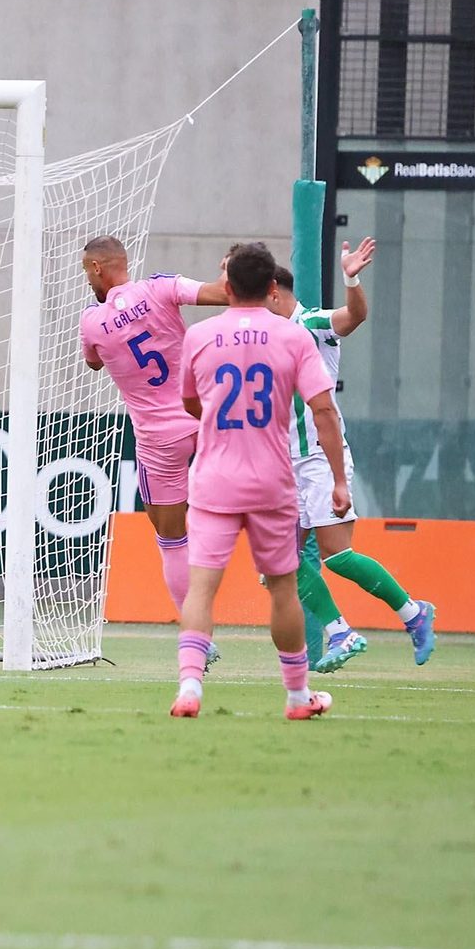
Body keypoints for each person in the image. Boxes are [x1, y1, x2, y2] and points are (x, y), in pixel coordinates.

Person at [171, 242, 350, 720]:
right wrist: (338, 480)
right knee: (283, 589)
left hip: (213, 480)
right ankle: (296, 697)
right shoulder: (293, 338)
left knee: (201, 589)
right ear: (273, 288)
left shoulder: (200, 336)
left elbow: (191, 403)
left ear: (226, 287)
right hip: (273, 480)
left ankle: (190, 688)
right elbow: (323, 409)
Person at [265, 242, 436, 670]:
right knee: (277, 566)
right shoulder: (263, 336)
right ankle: (340, 631)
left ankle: (414, 613)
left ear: (273, 292)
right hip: (285, 463)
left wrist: (351, 278)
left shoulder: (312, 322)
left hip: (321, 457)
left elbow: (355, 315)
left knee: (336, 556)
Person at [78, 235, 227, 666]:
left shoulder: (92, 320)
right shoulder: (162, 287)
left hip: (159, 439)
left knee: (171, 539)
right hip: (204, 417)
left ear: (96, 269)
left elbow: (93, 362)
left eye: (86, 271)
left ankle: (198, 633)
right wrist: (229, 269)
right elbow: (221, 294)